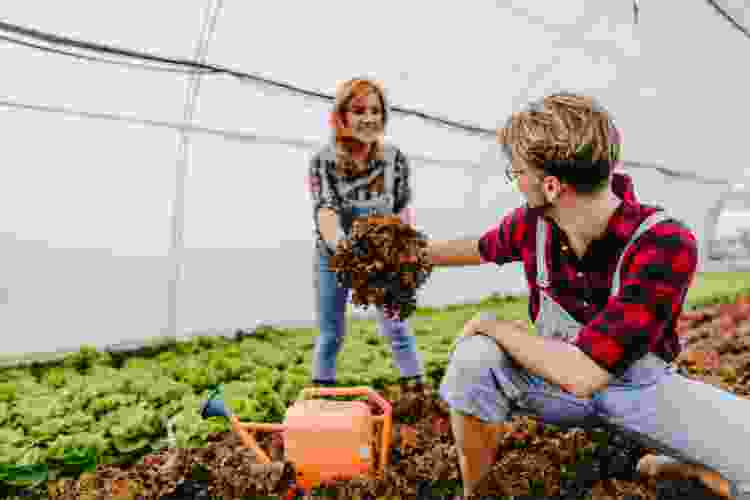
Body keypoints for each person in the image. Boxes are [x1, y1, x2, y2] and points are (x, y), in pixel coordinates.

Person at [427, 92, 750, 499]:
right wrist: (408, 255)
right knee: (475, 359)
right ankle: (478, 493)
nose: (517, 183)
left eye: (517, 174)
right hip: (555, 388)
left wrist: (492, 326)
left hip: (642, 393)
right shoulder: (533, 224)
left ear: (550, 186)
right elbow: (480, 247)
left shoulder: (665, 243)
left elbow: (585, 375)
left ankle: (678, 467)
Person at [306, 77, 425, 390]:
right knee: (331, 332)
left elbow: (401, 208)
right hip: (336, 255)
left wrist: (404, 247)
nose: (369, 118)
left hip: (382, 255)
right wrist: (345, 250)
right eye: (359, 111)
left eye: (375, 110)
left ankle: (417, 391)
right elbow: (326, 212)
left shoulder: (394, 159)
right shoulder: (324, 161)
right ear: (342, 117)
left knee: (397, 325)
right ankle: (321, 395)